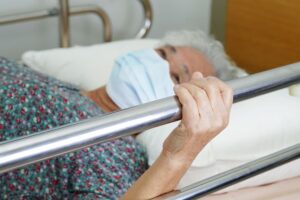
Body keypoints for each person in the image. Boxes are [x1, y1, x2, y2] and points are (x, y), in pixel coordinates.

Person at [0, 30, 234, 199]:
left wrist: (178, 156)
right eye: (163, 53)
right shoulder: (63, 85)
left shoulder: (115, 154)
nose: (161, 65)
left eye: (177, 77)